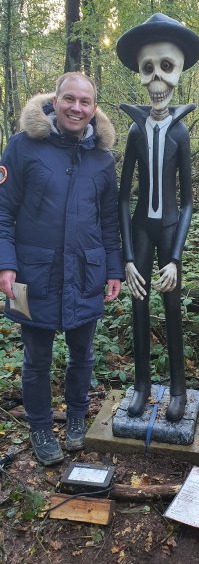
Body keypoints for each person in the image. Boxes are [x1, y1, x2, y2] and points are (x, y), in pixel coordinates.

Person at [0, 72, 123, 466]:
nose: (76, 107)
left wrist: (114, 269)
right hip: (30, 277)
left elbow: (108, 223)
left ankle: (74, 418)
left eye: (85, 102)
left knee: (82, 355)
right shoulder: (21, 147)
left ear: (93, 109)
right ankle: (39, 425)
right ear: (55, 101)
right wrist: (5, 264)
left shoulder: (102, 159)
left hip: (86, 273)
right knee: (35, 358)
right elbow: (2, 213)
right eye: (69, 99)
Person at [116, 13, 199, 422]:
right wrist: (128, 258)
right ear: (139, 73)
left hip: (169, 232)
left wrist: (175, 258)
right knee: (138, 307)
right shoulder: (134, 132)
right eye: (148, 69)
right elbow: (122, 198)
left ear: (179, 74)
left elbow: (187, 202)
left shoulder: (181, 134)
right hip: (141, 230)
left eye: (166, 68)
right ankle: (141, 386)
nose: (156, 81)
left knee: (170, 309)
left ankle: (178, 390)